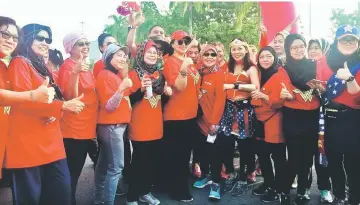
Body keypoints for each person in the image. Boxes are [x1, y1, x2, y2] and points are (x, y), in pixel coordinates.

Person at [6, 23, 84, 205]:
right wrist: (62, 107)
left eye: (47, 39)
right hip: (28, 144)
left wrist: (58, 109)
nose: (45, 42)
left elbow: (54, 99)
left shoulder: (40, 66)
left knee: (60, 194)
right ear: (26, 39)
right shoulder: (20, 62)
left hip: (51, 142)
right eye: (39, 38)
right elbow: (24, 103)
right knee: (30, 198)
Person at [316, 25, 360, 205]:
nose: (348, 43)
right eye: (344, 39)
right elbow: (323, 89)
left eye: (352, 40)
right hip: (330, 118)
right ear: (337, 41)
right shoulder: (323, 61)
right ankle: (339, 195)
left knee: (354, 161)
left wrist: (349, 78)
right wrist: (319, 89)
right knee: (333, 159)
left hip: (353, 119)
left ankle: (355, 197)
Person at [125, 40, 172, 205]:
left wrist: (167, 93)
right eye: (149, 52)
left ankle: (145, 192)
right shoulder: (133, 74)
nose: (153, 55)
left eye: (155, 53)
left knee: (151, 162)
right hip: (139, 125)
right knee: (139, 163)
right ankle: (132, 196)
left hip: (156, 124)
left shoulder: (160, 74)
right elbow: (127, 100)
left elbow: (160, 100)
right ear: (141, 54)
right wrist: (141, 91)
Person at [277, 34, 319, 205]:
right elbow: (283, 91)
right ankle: (285, 189)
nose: (299, 50)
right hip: (292, 117)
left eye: (301, 46)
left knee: (308, 157)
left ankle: (303, 189)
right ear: (288, 49)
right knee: (294, 156)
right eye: (294, 47)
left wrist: (320, 89)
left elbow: (321, 86)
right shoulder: (283, 69)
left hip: (312, 117)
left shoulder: (314, 65)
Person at [58, 32, 99, 205]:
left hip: (87, 126)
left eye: (86, 43)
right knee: (72, 173)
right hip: (74, 129)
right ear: (70, 48)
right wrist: (75, 72)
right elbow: (70, 97)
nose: (85, 46)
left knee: (75, 171)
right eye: (80, 44)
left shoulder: (85, 66)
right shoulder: (68, 67)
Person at [162, 30, 198, 202]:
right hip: (176, 117)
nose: (183, 45)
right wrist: (184, 66)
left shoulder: (188, 61)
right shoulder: (171, 62)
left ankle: (176, 187)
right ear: (172, 43)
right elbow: (180, 86)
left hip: (190, 115)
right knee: (179, 157)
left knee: (184, 156)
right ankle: (178, 191)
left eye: (186, 41)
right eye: (179, 42)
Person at [94, 44, 132, 205]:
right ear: (109, 57)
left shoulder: (112, 75)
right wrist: (121, 89)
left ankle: (98, 199)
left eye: (124, 56)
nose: (123, 58)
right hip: (112, 127)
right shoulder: (105, 75)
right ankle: (106, 201)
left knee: (104, 165)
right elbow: (109, 106)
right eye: (119, 55)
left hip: (113, 127)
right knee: (116, 167)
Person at [220, 38, 259, 197]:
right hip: (229, 109)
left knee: (245, 147)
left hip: (244, 110)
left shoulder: (251, 68)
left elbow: (255, 86)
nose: (237, 52)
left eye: (240, 48)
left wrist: (234, 85)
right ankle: (231, 172)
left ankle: (244, 176)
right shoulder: (227, 66)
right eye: (234, 49)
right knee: (227, 143)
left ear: (245, 49)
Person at [250, 46, 286, 202]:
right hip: (258, 120)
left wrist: (264, 96)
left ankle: (279, 188)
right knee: (263, 156)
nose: (265, 59)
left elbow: (282, 101)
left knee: (278, 157)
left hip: (274, 120)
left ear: (274, 57)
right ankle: (268, 183)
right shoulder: (256, 73)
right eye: (262, 56)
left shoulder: (281, 74)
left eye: (268, 56)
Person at [192, 45, 226, 200]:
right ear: (201, 56)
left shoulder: (219, 75)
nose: (210, 57)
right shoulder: (198, 73)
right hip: (199, 123)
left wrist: (214, 122)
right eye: (206, 54)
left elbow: (220, 101)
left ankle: (216, 184)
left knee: (215, 155)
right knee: (203, 153)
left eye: (213, 54)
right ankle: (206, 176)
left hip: (212, 123)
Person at [307, 37, 334, 203]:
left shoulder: (330, 66)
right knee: (305, 154)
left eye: (317, 47)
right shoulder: (304, 65)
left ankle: (325, 188)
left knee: (322, 153)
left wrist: (321, 90)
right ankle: (304, 186)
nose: (313, 50)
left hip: (324, 117)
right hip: (305, 116)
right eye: (311, 48)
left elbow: (334, 91)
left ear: (324, 49)